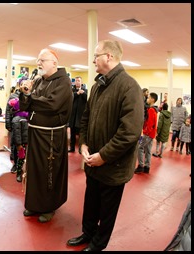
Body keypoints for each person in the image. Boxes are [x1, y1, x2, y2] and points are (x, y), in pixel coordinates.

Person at [66, 40, 144, 251]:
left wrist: (104, 156)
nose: (93, 60)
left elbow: (130, 132)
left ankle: (98, 244)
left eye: (96, 56)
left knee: (107, 210)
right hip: (92, 162)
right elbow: (86, 118)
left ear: (109, 56)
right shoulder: (97, 86)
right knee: (90, 203)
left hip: (113, 167)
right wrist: (83, 144)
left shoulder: (130, 87)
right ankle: (87, 233)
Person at [18, 48, 73, 223]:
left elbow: (52, 105)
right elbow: (25, 106)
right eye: (38, 60)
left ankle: (49, 207)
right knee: (34, 170)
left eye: (42, 60)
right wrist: (26, 93)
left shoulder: (63, 82)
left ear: (54, 63)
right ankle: (34, 204)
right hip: (35, 132)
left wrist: (32, 100)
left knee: (48, 171)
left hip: (51, 136)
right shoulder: (40, 81)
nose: (38, 63)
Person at [135, 92, 158, 174]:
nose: (147, 99)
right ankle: (147, 167)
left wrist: (145, 132)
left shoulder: (152, 110)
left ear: (152, 99)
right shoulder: (154, 109)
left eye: (149, 98)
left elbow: (150, 123)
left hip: (148, 134)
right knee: (148, 150)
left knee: (139, 148)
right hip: (151, 134)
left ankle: (140, 166)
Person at [7, 96, 28, 182]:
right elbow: (16, 134)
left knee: (25, 158)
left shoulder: (26, 118)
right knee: (21, 158)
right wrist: (19, 145)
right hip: (21, 143)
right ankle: (19, 173)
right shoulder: (17, 119)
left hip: (26, 141)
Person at [68, 76, 88, 152]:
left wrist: (82, 93)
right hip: (73, 116)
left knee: (80, 134)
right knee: (72, 133)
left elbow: (87, 98)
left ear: (81, 82)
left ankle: (80, 149)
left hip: (80, 116)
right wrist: (77, 93)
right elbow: (70, 97)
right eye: (76, 81)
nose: (77, 82)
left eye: (79, 81)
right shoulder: (72, 90)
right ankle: (72, 148)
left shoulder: (85, 90)